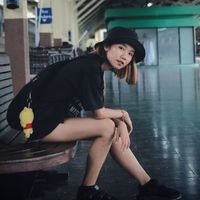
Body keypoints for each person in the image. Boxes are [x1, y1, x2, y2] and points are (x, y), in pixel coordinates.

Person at [7, 27, 182, 200]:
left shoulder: (93, 65)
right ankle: (88, 190)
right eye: (121, 48)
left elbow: (98, 111)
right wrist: (122, 114)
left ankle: (146, 183)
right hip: (39, 125)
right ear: (107, 46)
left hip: (47, 120)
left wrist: (119, 122)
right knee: (107, 127)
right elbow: (99, 114)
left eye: (130, 54)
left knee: (110, 128)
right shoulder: (89, 67)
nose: (125, 56)